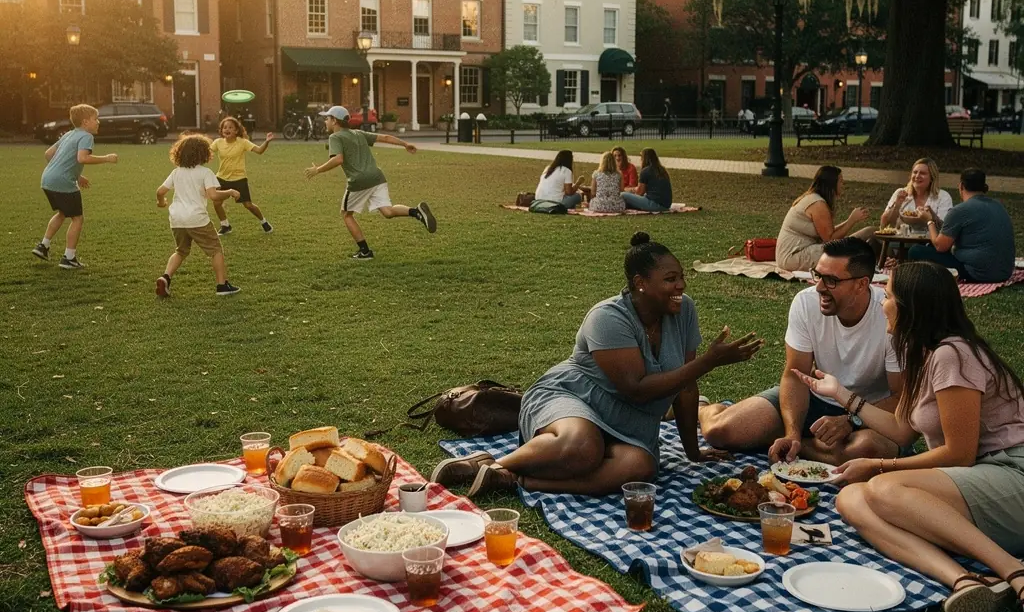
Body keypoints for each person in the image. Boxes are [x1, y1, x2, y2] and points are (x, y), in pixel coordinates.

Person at [430, 233, 764, 497]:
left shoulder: (683, 311)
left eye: (681, 279)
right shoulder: (607, 318)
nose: (681, 286)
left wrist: (693, 451)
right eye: (670, 279)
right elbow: (635, 388)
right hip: (574, 396)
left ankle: (515, 479)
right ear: (640, 283)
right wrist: (709, 361)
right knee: (583, 446)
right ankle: (491, 463)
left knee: (640, 467)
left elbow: (685, 387)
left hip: (628, 421)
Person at [794, 261, 1024, 612]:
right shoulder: (921, 353)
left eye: (887, 297)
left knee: (883, 486)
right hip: (977, 482)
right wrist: (841, 394)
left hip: (1011, 474)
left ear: (910, 307)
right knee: (850, 498)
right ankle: (965, 581)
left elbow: (959, 454)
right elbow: (903, 431)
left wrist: (880, 467)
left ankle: (1014, 571)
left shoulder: (953, 354)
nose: (881, 304)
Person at [699, 237, 905, 465]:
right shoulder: (806, 303)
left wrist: (851, 421)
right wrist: (793, 432)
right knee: (719, 431)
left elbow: (900, 397)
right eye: (817, 275)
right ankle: (702, 406)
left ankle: (788, 443)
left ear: (861, 284)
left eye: (831, 281)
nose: (819, 287)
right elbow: (795, 375)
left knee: (867, 449)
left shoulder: (889, 317)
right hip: (812, 399)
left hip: (867, 412)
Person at [303, 105, 436, 260]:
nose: (325, 121)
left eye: (327, 118)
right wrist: (405, 144)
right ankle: (416, 211)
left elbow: (338, 159)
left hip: (359, 181)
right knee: (388, 212)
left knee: (346, 214)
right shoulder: (358, 133)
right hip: (377, 177)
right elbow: (385, 138)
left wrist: (317, 170)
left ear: (335, 121)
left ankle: (365, 251)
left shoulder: (335, 137)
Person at [32, 104, 118, 269]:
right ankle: (68, 258)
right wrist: (107, 158)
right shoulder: (86, 136)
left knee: (63, 213)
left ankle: (43, 246)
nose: (98, 122)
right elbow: (82, 158)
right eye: (95, 119)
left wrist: (76, 176)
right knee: (77, 218)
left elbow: (48, 154)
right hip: (63, 181)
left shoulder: (69, 134)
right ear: (86, 122)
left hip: (48, 179)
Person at [155, 134, 241, 297]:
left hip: (177, 219)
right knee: (215, 249)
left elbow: (160, 191)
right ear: (204, 154)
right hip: (197, 219)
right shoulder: (205, 173)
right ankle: (222, 286)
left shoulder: (176, 172)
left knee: (181, 251)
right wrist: (230, 192)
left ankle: (165, 277)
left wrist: (161, 202)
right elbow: (213, 195)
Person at [909, 169, 1016, 283]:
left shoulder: (960, 210)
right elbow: (949, 232)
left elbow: (940, 246)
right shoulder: (998, 205)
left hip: (977, 272)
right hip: (1004, 272)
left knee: (915, 251)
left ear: (961, 186)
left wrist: (929, 221)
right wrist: (934, 217)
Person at [775, 165, 872, 272]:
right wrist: (852, 220)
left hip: (797, 254)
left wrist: (851, 220)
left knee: (867, 233)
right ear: (831, 183)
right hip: (792, 258)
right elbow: (830, 239)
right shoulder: (817, 203)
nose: (843, 184)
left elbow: (829, 233)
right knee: (849, 248)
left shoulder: (815, 199)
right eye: (840, 181)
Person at [209, 116, 275, 235]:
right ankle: (225, 225)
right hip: (221, 177)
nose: (227, 129)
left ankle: (264, 222)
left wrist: (267, 141)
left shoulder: (243, 142)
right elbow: (207, 152)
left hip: (239, 179)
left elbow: (259, 151)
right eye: (224, 127)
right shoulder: (218, 142)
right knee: (216, 202)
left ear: (236, 131)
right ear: (221, 130)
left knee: (248, 205)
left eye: (230, 127)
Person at [878, 158, 953, 230]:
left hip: (928, 241)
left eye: (922, 173)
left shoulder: (943, 197)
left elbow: (944, 229)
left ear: (932, 178)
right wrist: (896, 206)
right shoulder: (900, 193)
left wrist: (931, 216)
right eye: (915, 172)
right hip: (901, 240)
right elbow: (884, 226)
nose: (917, 176)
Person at [622, 147, 672, 213]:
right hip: (666, 205)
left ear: (644, 158)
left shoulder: (646, 171)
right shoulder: (662, 170)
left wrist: (629, 192)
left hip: (654, 204)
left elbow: (639, 193)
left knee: (623, 195)